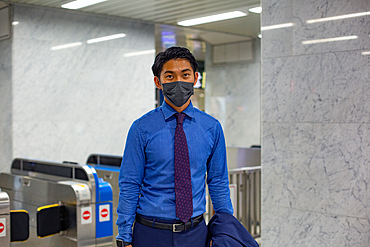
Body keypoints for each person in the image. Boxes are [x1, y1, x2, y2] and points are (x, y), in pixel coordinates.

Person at [116, 46, 233, 247]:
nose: (178, 81)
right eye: (169, 76)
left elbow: (218, 182)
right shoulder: (141, 128)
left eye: (185, 75)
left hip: (196, 233)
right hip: (150, 233)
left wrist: (225, 231)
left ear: (195, 78)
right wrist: (124, 236)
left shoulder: (211, 128)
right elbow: (130, 183)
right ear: (158, 82)